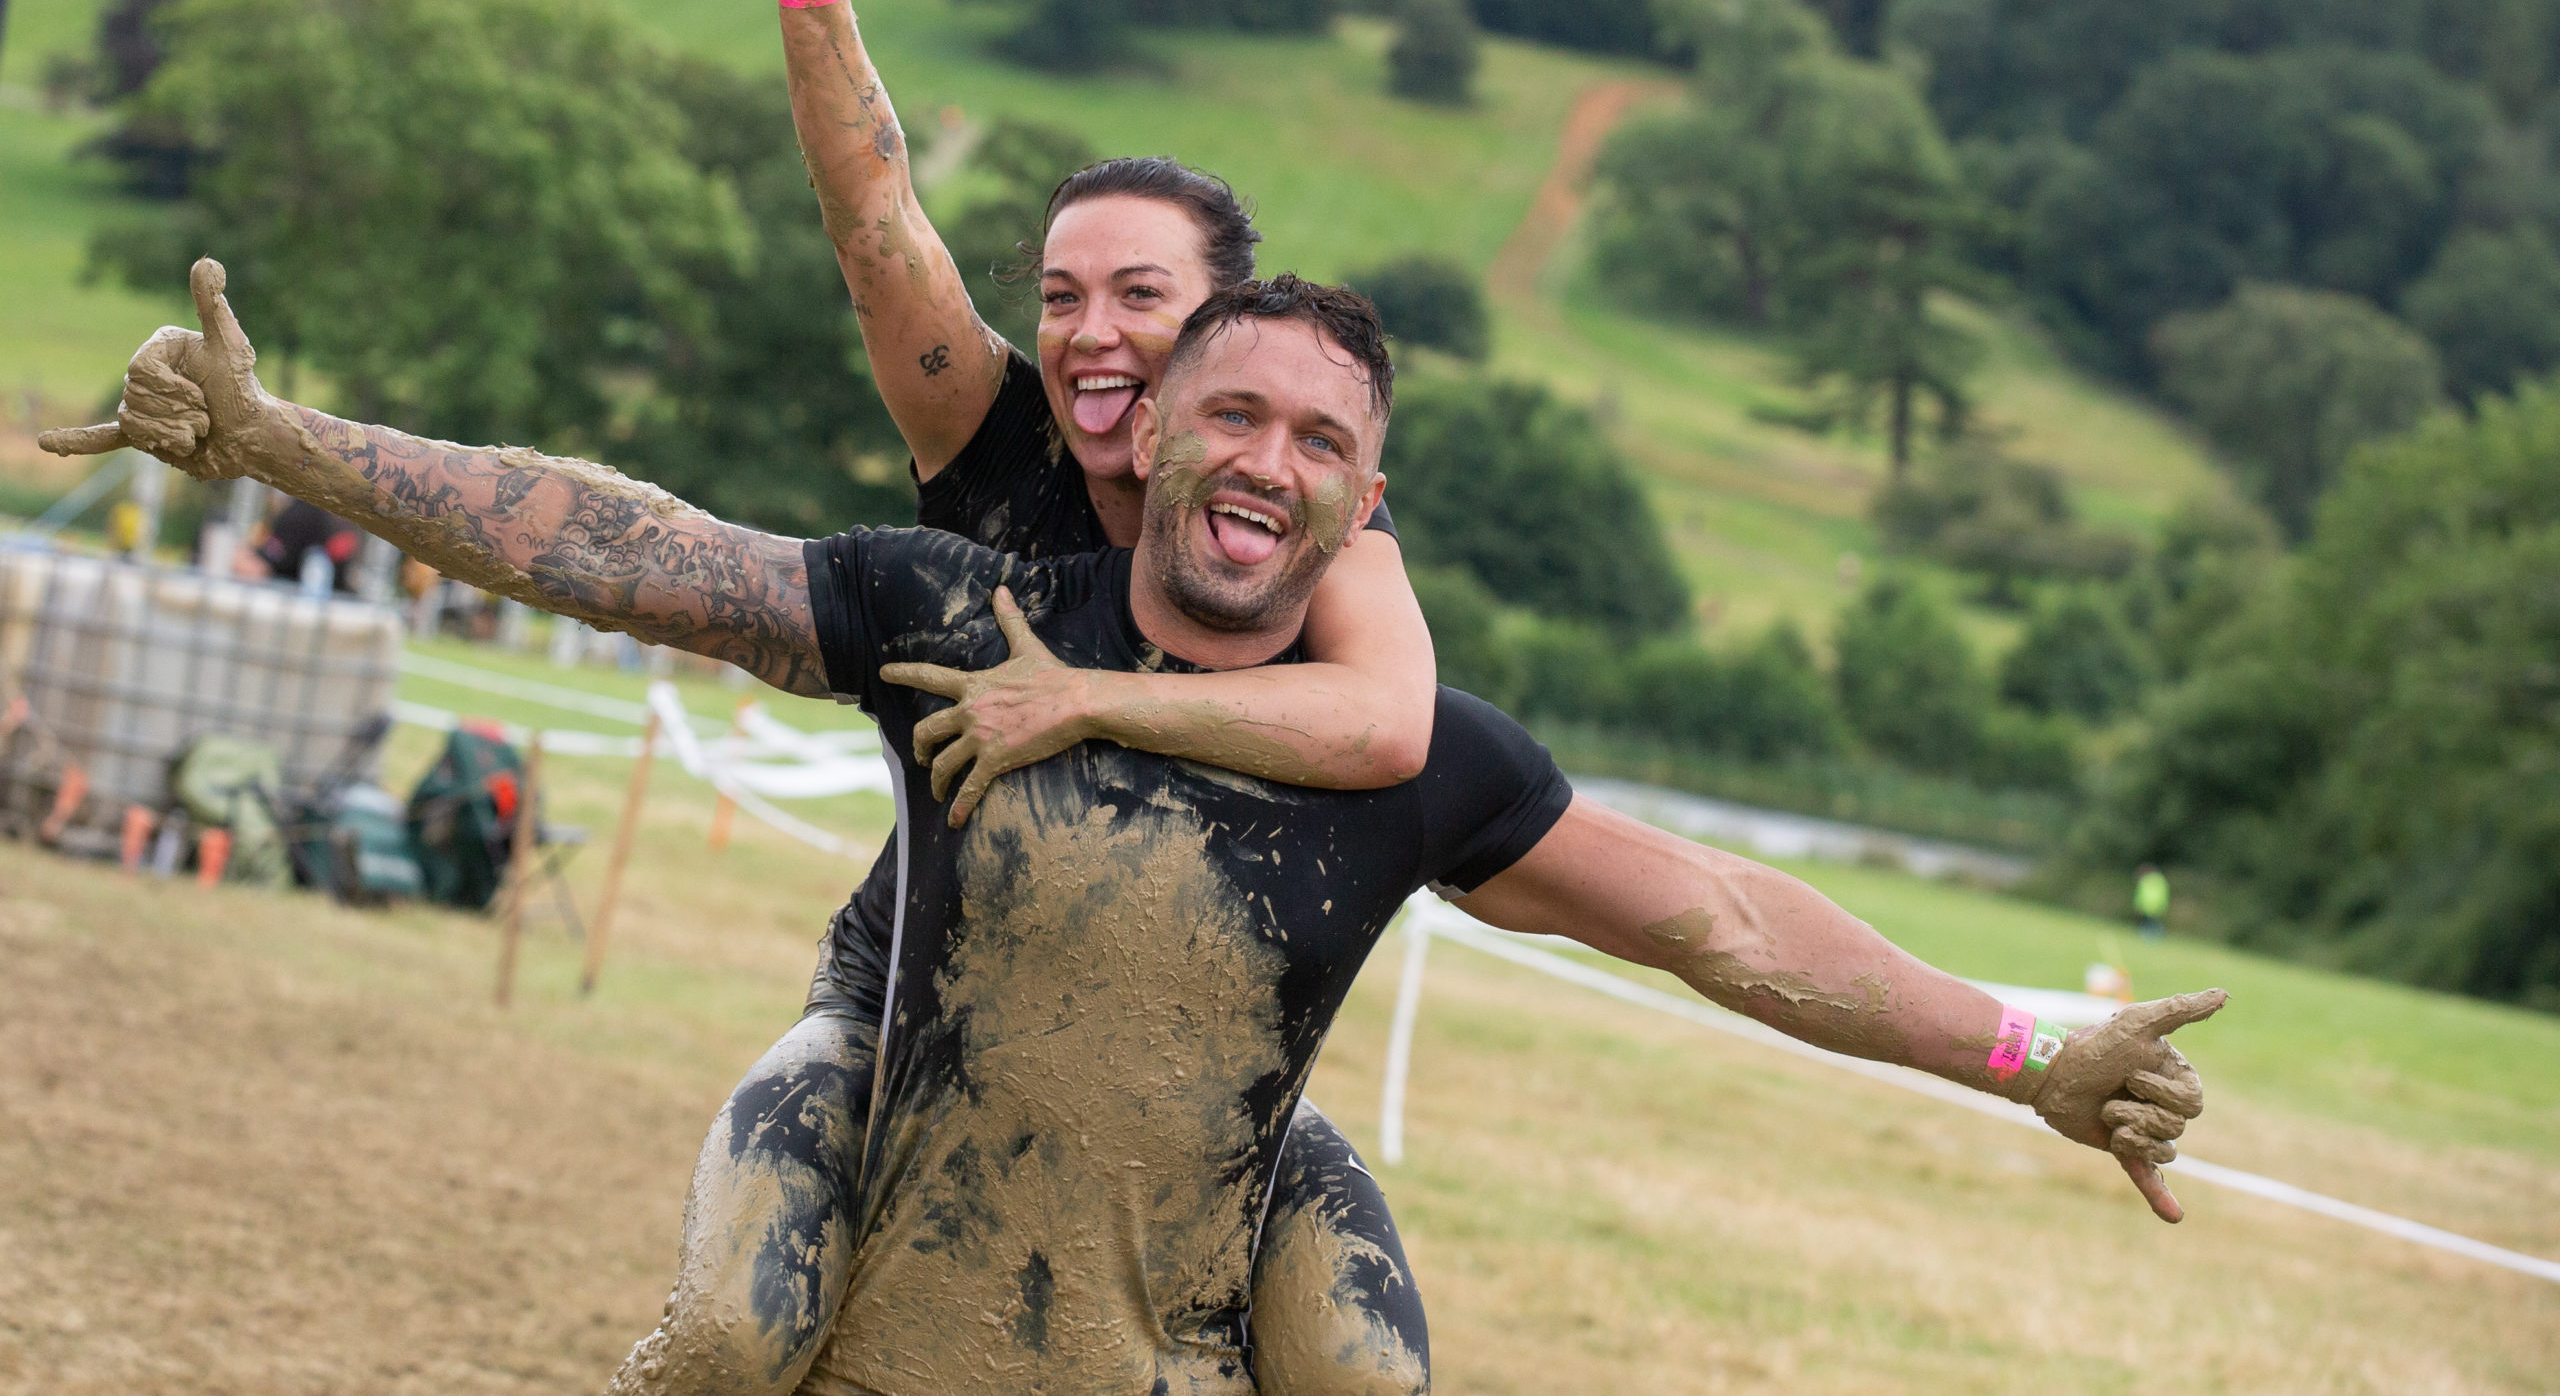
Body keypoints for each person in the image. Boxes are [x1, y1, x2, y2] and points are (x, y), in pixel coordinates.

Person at [47, 267, 2225, 1396]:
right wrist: (288, 443)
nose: (1267, 460)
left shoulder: (1415, 755)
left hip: (1194, 1232)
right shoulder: (948, 607)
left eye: (1321, 441)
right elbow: (631, 546)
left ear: (1369, 499)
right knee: (716, 1347)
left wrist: (2027, 1057)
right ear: (1155, 427)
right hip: (892, 1137)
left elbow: (1725, 922)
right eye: (1235, 413)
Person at [701, 0, 1450, 1392]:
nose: (1091, 337)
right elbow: (874, 213)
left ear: (1228, 333)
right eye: (1060, 294)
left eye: (1142, 299)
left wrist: (1092, 702)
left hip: (1200, 1060)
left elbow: (1393, 722)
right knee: (735, 1337)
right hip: (918, 1008)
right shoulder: (996, 433)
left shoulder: (1312, 528)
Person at [2135, 863, 2172, 941]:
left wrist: (2138, 904)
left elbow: (2141, 893)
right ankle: (2154, 936)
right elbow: (2165, 894)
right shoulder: (2162, 880)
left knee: (2147, 922)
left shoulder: (2144, 880)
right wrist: (2164, 905)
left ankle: (2149, 937)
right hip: (2158, 905)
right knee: (2152, 921)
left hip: (2146, 905)